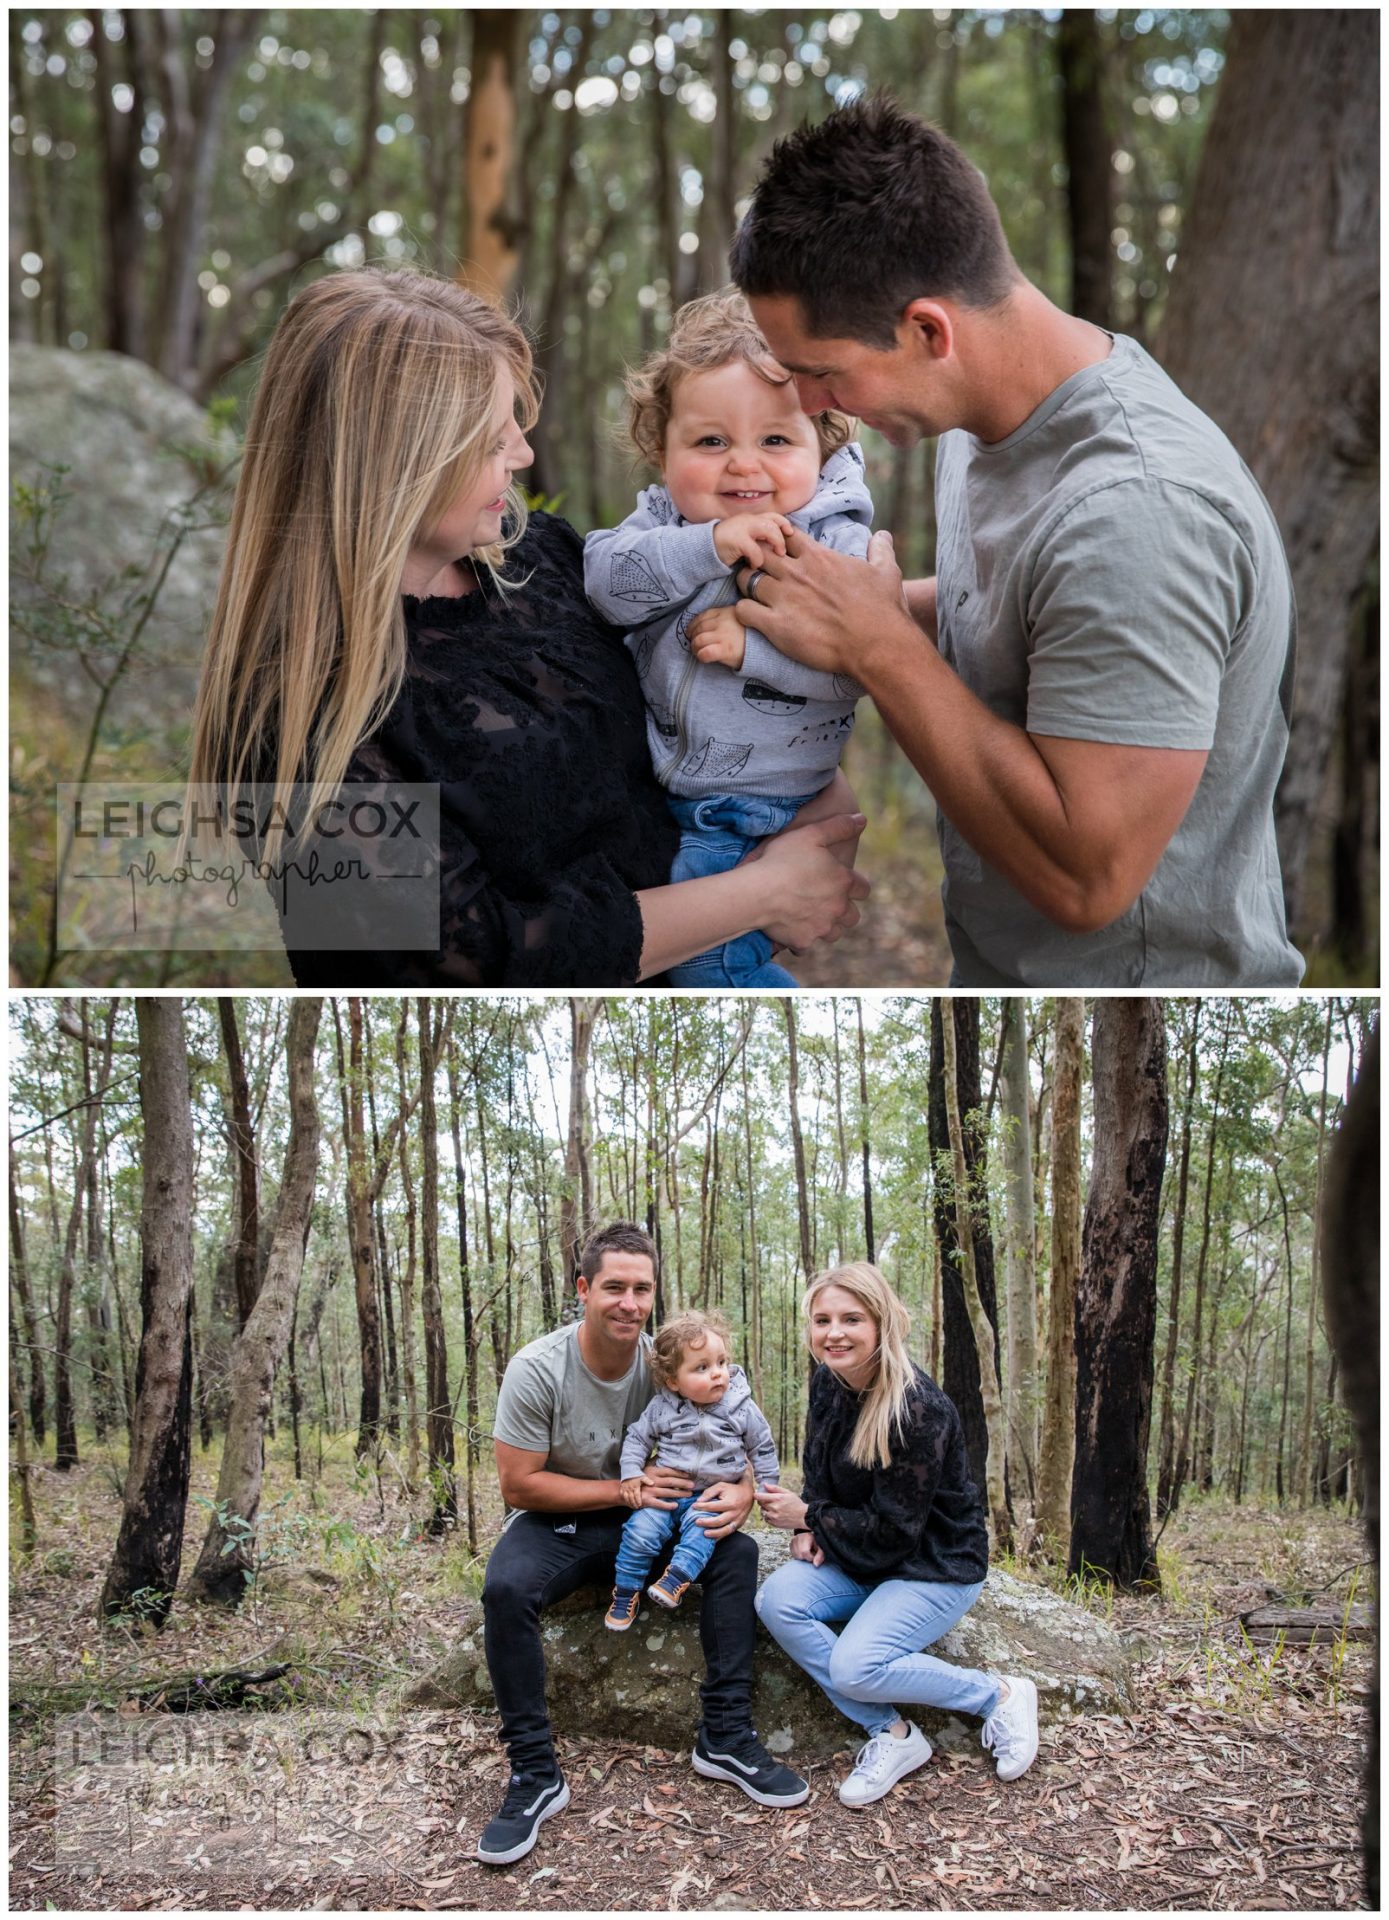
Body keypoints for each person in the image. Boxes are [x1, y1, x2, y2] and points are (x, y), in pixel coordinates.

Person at [721, 95, 1304, 989]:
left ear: (927, 330)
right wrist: (841, 604)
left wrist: (874, 645)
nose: (806, 405)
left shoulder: (1136, 513)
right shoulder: (990, 414)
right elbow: (1009, 615)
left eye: (821, 371)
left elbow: (1088, 878)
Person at [185, 267, 868, 987]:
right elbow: (470, 970)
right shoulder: (293, 717)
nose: (523, 453)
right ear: (392, 468)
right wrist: (760, 894)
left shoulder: (539, 559)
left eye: (514, 422)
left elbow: (697, 663)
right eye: (490, 440)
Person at [478, 1224, 809, 1868]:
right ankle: (533, 1771)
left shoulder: (672, 1363)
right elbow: (519, 1486)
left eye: (642, 1288)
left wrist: (742, 1490)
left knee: (736, 1554)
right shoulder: (537, 1368)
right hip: (566, 1517)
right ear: (583, 1289)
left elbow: (736, 1436)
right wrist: (624, 1492)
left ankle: (725, 1736)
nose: (630, 1303)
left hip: (657, 1513)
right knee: (505, 1588)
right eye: (614, 1288)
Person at [584, 288, 874, 987]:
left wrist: (759, 653)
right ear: (661, 450)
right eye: (711, 441)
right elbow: (604, 585)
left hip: (755, 802)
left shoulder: (831, 541)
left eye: (775, 440)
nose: (743, 465)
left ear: (822, 443)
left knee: (710, 966)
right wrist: (707, 545)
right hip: (671, 788)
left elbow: (857, 668)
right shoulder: (659, 525)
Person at [755, 1262, 1039, 1809]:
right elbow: (817, 1463)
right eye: (822, 1320)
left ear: (882, 1323)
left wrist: (811, 1517)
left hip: (933, 1564)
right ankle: (893, 1735)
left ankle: (997, 1694)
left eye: (851, 1319)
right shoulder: (827, 1379)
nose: (833, 1332)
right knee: (776, 1599)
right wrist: (811, 1525)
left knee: (856, 1666)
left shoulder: (918, 1409)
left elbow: (894, 1533)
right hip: (860, 1556)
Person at [607, 1308, 780, 1628]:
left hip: (712, 1495)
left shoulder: (740, 1406)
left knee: (703, 1531)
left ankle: (675, 1579)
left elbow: (762, 1446)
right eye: (702, 1368)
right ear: (673, 1381)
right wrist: (632, 1472)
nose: (717, 1373)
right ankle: (626, 1590)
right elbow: (637, 1439)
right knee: (640, 1532)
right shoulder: (662, 1407)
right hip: (667, 1493)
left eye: (721, 1362)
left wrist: (766, 1489)